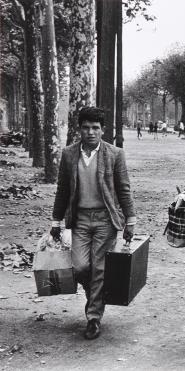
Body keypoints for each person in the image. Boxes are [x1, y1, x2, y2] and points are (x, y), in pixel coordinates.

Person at [50, 106, 137, 340]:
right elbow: (63, 189)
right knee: (80, 267)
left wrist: (130, 220)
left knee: (99, 268)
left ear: (103, 130)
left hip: (104, 220)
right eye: (86, 128)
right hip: (79, 220)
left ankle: (93, 318)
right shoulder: (69, 154)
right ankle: (95, 298)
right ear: (79, 129)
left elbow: (124, 188)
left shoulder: (114, 154)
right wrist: (56, 221)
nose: (90, 132)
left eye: (95, 128)